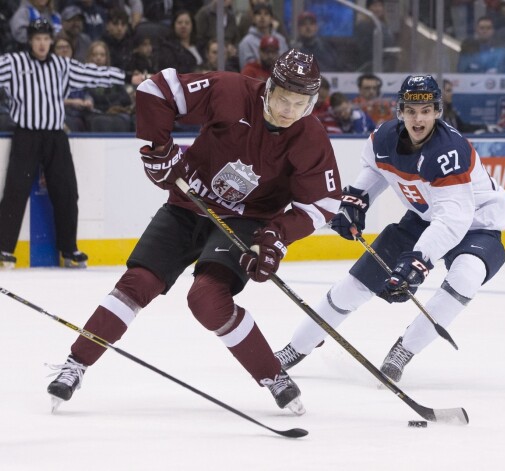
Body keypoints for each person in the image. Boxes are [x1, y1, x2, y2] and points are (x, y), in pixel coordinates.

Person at [46, 49, 342, 415]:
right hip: (188, 203)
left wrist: (276, 236)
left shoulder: (310, 137)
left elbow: (322, 204)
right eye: (283, 98)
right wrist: (160, 149)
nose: (287, 111)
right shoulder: (232, 91)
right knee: (137, 283)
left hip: (244, 220)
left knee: (207, 299)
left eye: (300, 104)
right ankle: (76, 363)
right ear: (269, 87)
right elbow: (156, 90)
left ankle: (272, 374)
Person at [274, 75, 505, 384]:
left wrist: (418, 261)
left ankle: (404, 350)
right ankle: (297, 347)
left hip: (479, 223)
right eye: (411, 110)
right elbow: (374, 172)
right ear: (399, 111)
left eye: (426, 110)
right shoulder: (383, 139)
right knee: (355, 285)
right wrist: (356, 201)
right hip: (424, 219)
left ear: (437, 112)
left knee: (466, 275)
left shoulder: (448, 152)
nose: (418, 118)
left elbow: (452, 220)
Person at [0, 19, 145, 269]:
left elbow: (94, 73)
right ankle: (4, 249)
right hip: (26, 135)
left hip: (56, 136)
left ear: (51, 41)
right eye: (38, 39)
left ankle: (69, 249)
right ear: (30, 41)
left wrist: (127, 76)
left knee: (67, 191)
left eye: (46, 39)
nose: (42, 44)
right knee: (15, 192)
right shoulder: (14, 63)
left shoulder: (61, 65)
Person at [238, 2, 288, 70]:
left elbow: (286, 65)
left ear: (271, 18)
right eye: (258, 14)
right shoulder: (246, 42)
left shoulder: (281, 40)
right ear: (253, 18)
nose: (262, 17)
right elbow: (246, 70)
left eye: (266, 14)